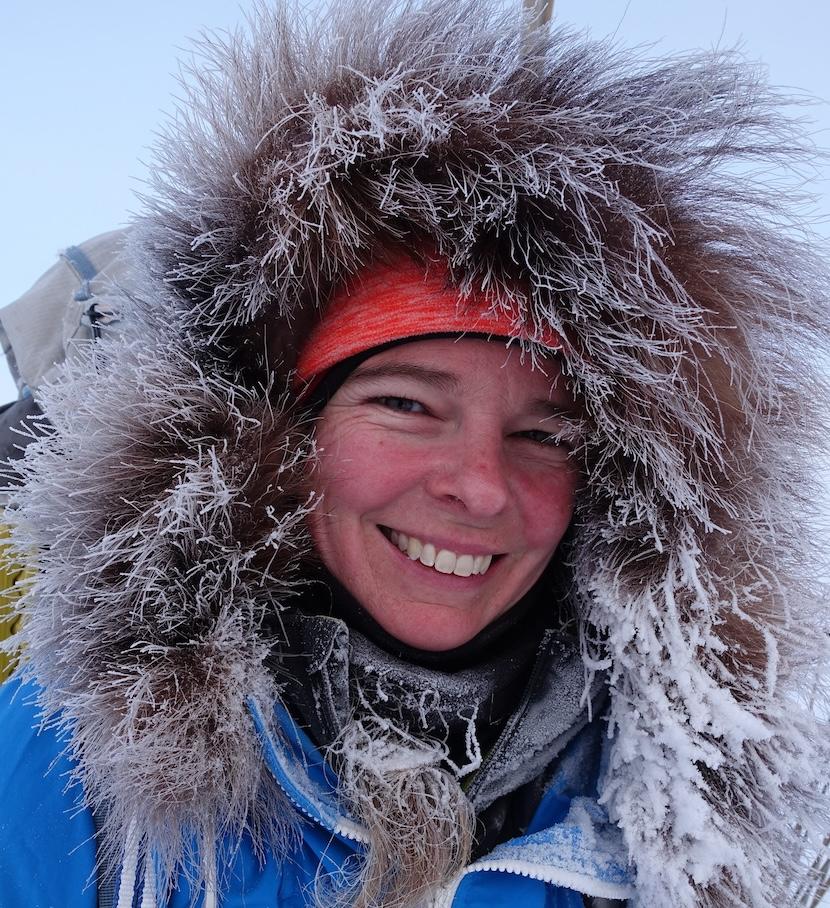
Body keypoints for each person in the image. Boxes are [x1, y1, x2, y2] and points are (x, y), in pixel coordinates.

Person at [0, 2, 828, 906]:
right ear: (272, 438)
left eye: (546, 435)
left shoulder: (674, 834)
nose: (482, 487)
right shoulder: (64, 770)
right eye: (406, 404)